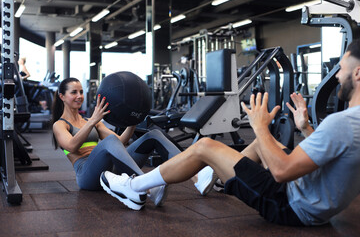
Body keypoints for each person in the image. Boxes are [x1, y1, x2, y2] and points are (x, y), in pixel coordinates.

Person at [100, 39, 360, 226]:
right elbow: (330, 158)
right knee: (260, 145)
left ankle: (134, 188)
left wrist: (259, 127)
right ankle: (211, 176)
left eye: (342, 67)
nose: (337, 75)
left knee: (205, 147)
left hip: (291, 205)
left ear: (357, 73)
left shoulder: (344, 122)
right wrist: (305, 128)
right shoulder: (352, 122)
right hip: (316, 204)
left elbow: (281, 172)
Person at [51, 77, 182, 209]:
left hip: (110, 170)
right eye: (74, 92)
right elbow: (71, 146)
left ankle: (195, 173)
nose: (79, 96)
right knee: (109, 141)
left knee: (153, 135)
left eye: (81, 92)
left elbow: (119, 142)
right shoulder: (60, 125)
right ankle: (149, 186)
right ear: (62, 96)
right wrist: (93, 121)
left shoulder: (91, 121)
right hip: (87, 175)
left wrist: (133, 121)